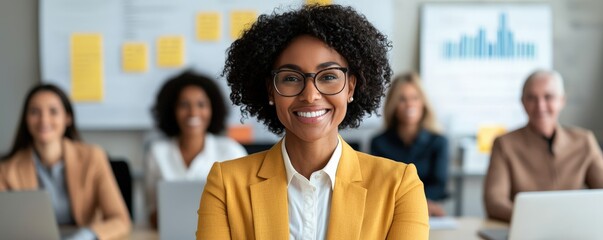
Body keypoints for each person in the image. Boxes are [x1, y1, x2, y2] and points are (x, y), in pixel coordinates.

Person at [196, 4, 429, 239]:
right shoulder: (226, 185)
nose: (310, 95)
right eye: (290, 78)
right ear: (270, 91)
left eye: (328, 76)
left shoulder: (399, 186)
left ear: (350, 87)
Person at [0, 84, 131, 239]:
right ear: (26, 119)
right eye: (35, 112)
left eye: (53, 111)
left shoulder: (93, 157)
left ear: (67, 118)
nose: (44, 119)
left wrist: (87, 235)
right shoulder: (7, 169)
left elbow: (120, 220)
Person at [484, 70, 603, 222]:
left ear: (562, 100)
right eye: (531, 98)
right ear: (522, 102)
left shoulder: (584, 141)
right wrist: (538, 219)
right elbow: (494, 202)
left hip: (574, 229)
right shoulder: (505, 144)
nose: (540, 106)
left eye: (548, 97)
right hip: (526, 229)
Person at [145, 70, 247, 228]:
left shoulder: (231, 151)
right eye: (184, 105)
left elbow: (244, 210)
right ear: (172, 110)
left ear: (213, 109)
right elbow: (152, 215)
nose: (193, 112)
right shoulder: (157, 153)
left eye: (201, 104)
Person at [370, 72, 449, 217]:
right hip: (390, 213)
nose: (409, 104)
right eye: (402, 99)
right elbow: (378, 186)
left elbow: (439, 187)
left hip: (426, 211)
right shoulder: (379, 143)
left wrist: (414, 203)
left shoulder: (438, 141)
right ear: (393, 105)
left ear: (423, 103)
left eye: (415, 98)